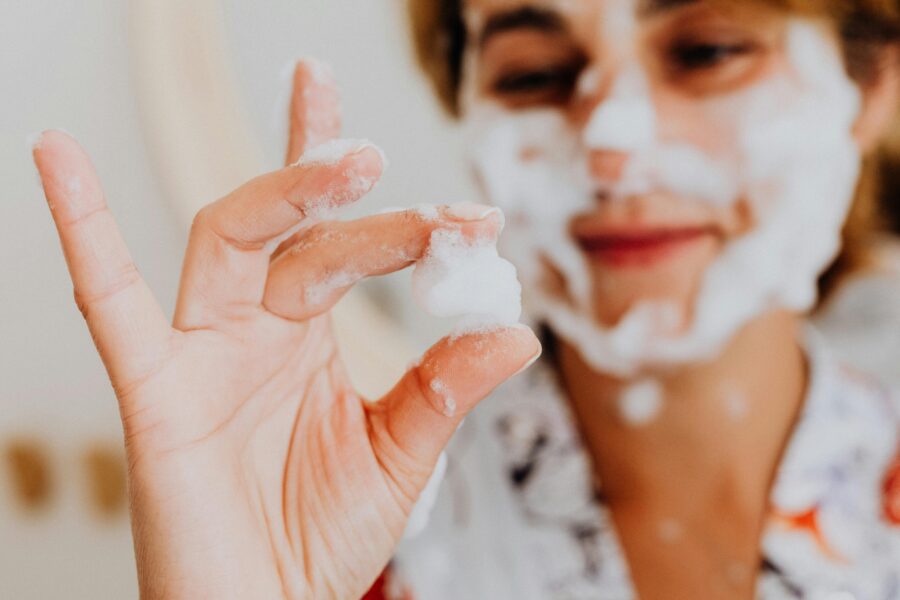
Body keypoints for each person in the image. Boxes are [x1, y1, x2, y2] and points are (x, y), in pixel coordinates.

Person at [30, 0, 900, 599]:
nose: (611, 142)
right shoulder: (368, 541)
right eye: (534, 73)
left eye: (707, 51)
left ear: (870, 89)